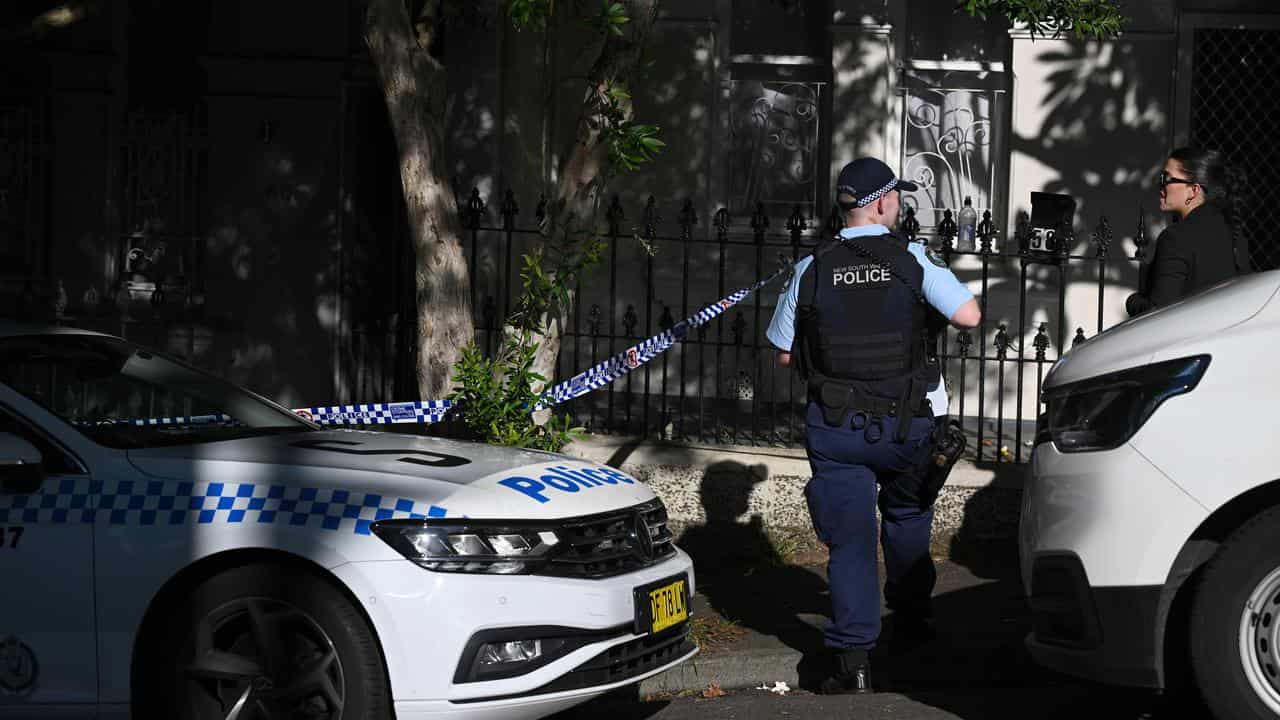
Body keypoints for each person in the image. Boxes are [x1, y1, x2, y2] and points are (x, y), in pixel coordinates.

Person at [765, 157, 980, 694]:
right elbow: (969, 316)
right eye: (896, 199)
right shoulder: (913, 259)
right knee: (907, 517)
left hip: (838, 429)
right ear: (883, 203)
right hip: (909, 426)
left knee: (851, 543)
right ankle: (911, 625)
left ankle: (853, 662)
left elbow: (785, 356)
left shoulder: (811, 267)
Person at [1126, 147, 1250, 317]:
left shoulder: (1176, 238)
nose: (1160, 186)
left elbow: (1158, 315)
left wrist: (1133, 302)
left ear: (1193, 190)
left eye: (1165, 179)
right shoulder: (1235, 234)